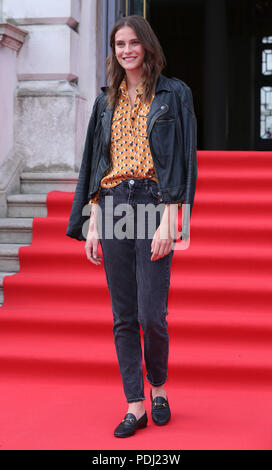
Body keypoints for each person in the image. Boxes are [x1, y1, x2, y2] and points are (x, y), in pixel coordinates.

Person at [66, 14, 197, 438]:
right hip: (114, 203)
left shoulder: (174, 94)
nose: (126, 51)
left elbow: (184, 162)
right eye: (119, 44)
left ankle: (158, 388)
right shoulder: (107, 100)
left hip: (153, 203)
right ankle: (135, 403)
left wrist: (171, 220)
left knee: (151, 313)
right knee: (123, 314)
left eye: (132, 43)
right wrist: (91, 224)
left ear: (147, 46)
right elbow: (95, 165)